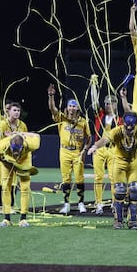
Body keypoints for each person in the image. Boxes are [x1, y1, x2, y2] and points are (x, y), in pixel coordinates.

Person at [87, 111, 137, 229]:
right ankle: (118, 220)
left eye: (131, 127)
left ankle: (133, 220)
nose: (129, 130)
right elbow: (105, 139)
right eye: (127, 127)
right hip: (119, 163)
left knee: (135, 190)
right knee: (119, 191)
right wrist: (95, 146)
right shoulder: (117, 131)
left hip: (134, 164)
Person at [47, 84, 91, 214]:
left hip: (77, 151)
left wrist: (84, 150)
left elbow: (88, 138)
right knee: (66, 179)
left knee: (79, 178)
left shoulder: (83, 121)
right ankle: (66, 203)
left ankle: (81, 202)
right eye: (70, 105)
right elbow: (52, 109)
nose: (72, 108)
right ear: (67, 107)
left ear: (77, 108)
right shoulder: (62, 118)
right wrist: (51, 96)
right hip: (64, 151)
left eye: (74, 106)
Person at [0, 132, 41, 227]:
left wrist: (22, 133)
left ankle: (23, 219)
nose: (15, 153)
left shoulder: (31, 144)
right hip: (8, 163)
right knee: (5, 188)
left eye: (18, 150)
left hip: (24, 161)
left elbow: (37, 136)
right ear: (10, 145)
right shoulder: (1, 146)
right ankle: (6, 219)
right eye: (14, 150)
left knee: (25, 188)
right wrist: (7, 162)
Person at [0, 101, 27, 214]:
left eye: (18, 111)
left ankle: (10, 206)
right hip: (3, 157)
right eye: (14, 110)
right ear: (9, 112)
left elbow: (25, 139)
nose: (16, 113)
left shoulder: (22, 125)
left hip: (16, 158)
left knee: (13, 183)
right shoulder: (3, 123)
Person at [92, 93, 121, 215]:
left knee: (113, 178)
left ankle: (115, 203)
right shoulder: (100, 115)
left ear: (115, 104)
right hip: (99, 149)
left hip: (113, 149)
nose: (108, 105)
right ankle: (99, 203)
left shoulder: (119, 120)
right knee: (98, 177)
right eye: (107, 103)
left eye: (111, 103)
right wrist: (93, 86)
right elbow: (94, 102)